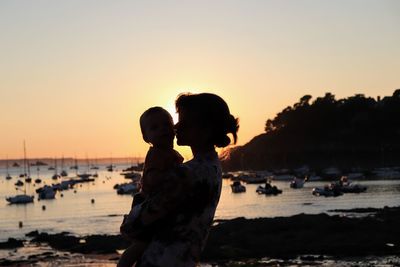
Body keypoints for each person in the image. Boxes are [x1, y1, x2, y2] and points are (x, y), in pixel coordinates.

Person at [128, 93, 239, 267]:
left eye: (184, 122)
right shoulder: (213, 167)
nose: (176, 126)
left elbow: (134, 224)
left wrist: (136, 206)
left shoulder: (186, 175)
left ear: (205, 129)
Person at [118, 107, 184, 267]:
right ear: (146, 137)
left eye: (166, 125)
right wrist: (174, 177)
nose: (162, 129)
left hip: (154, 202)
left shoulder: (169, 153)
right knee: (141, 244)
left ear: (174, 128)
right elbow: (152, 179)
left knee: (150, 243)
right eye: (154, 128)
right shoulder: (156, 154)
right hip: (146, 201)